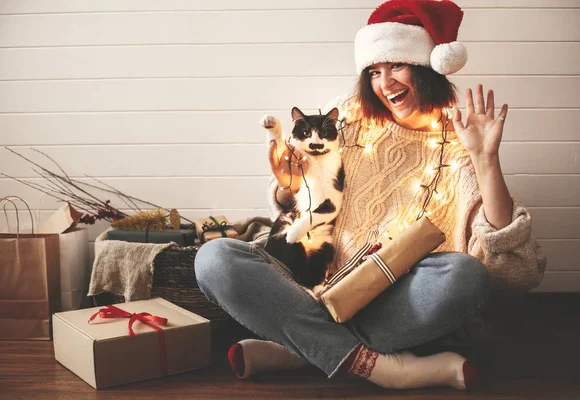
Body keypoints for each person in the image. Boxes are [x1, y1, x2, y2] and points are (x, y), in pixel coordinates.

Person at [194, 0, 546, 391]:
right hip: (315, 282)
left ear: (427, 67)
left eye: (397, 65)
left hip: (392, 303)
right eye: (375, 71)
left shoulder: (459, 137)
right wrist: (289, 185)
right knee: (215, 257)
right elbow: (304, 206)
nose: (386, 83)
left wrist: (485, 158)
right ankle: (379, 366)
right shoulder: (347, 120)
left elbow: (513, 269)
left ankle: (302, 348)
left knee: (466, 276)